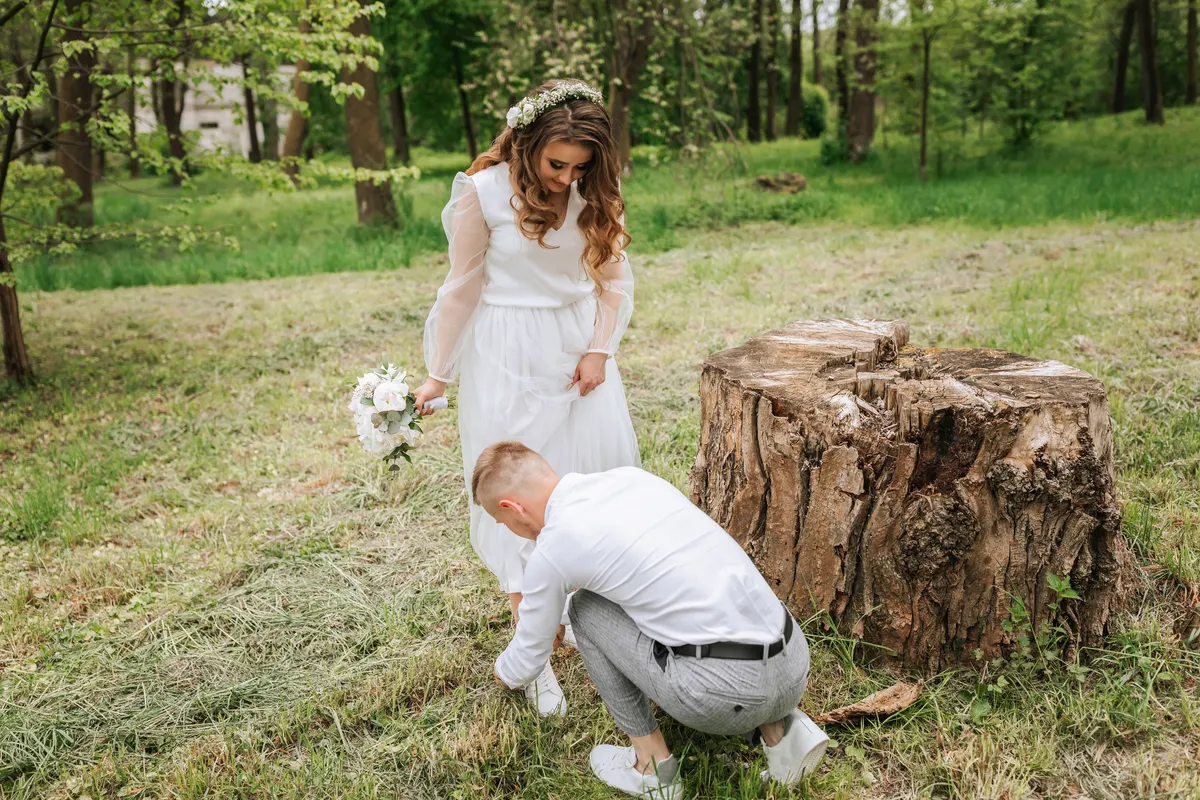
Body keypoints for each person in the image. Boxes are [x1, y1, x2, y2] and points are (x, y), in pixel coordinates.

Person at [411, 80, 641, 718]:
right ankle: (534, 652)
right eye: (556, 163)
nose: (568, 178)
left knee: (587, 480)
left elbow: (614, 281)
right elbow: (460, 289)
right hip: (507, 353)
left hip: (576, 351)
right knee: (522, 503)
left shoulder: (593, 195)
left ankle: (603, 625)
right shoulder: (481, 194)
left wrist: (600, 350)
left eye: (581, 166)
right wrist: (438, 374)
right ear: (528, 145)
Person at [473, 441, 829, 797]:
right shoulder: (630, 480)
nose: (510, 529)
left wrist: (504, 674)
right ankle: (782, 734)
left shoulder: (552, 548)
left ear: (512, 507)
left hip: (725, 694)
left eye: (502, 522)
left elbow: (530, 653)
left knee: (584, 608)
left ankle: (650, 767)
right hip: (793, 658)